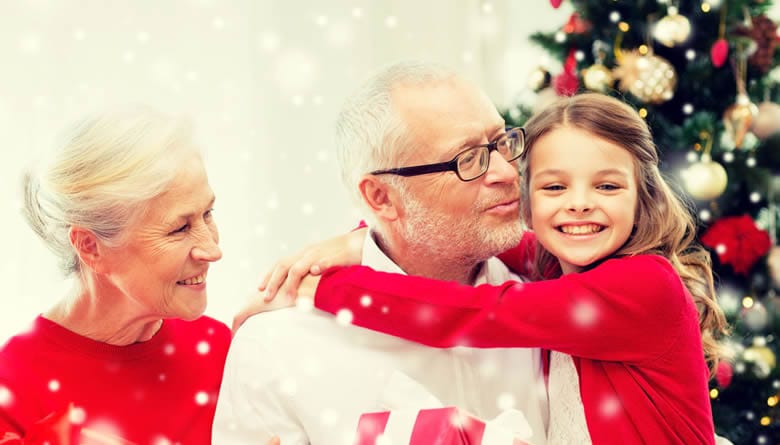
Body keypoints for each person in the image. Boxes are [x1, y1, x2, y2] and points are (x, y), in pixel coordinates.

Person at [257, 93, 729, 444]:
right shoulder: (557, 265)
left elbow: (473, 313)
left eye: (607, 187)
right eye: (554, 188)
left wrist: (324, 288)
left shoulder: (642, 286)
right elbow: (468, 233)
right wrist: (363, 237)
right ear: (525, 197)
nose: (579, 205)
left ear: (642, 196)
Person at [212, 61, 549, 445]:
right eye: (468, 159)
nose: (507, 172)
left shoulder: (557, 308)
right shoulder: (276, 347)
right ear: (381, 197)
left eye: (502, 141)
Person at [0, 107, 238, 445]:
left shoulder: (218, 348)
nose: (212, 250)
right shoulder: (13, 389)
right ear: (90, 247)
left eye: (208, 214)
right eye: (179, 228)